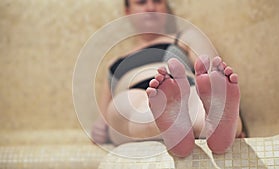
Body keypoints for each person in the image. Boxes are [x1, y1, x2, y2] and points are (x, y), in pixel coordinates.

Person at [91, 0, 245, 157]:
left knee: (197, 104)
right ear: (128, 12)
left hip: (183, 90)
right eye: (141, 2)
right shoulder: (114, 63)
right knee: (123, 106)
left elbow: (215, 74)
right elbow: (102, 118)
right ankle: (179, 123)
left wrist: (222, 102)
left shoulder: (184, 38)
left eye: (157, 1)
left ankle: (207, 124)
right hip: (132, 99)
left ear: (165, 7)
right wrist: (98, 131)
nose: (151, 7)